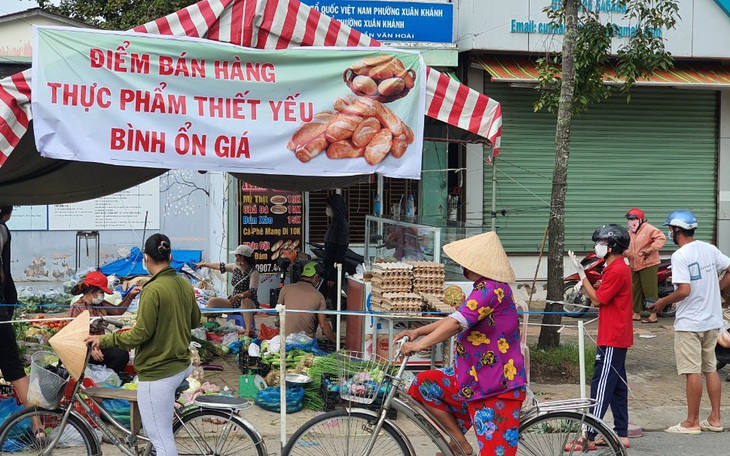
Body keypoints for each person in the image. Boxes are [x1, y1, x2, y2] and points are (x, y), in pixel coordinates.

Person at [395, 231, 526, 456]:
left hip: (495, 385)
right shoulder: (482, 289)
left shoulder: (491, 289)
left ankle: (460, 446)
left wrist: (418, 345)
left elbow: (456, 325)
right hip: (472, 378)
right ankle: (459, 445)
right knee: (424, 384)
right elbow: (454, 318)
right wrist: (417, 331)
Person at [86, 233, 201, 456]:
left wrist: (104, 339)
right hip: (180, 364)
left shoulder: (152, 289)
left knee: (161, 440)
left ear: (146, 259)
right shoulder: (184, 284)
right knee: (156, 431)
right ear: (171, 256)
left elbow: (140, 334)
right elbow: (195, 320)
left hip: (159, 371)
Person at [650, 210, 730, 434]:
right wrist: (716, 289)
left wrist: (663, 301)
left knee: (692, 371)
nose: (670, 233)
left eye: (670, 229)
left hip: (690, 323)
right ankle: (715, 419)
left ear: (676, 230)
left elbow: (684, 290)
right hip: (711, 320)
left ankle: (691, 422)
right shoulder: (709, 248)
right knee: (710, 369)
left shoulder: (680, 256)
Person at [569, 224, 633, 449]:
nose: (598, 247)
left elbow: (597, 300)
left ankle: (588, 436)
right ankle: (621, 433)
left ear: (613, 246)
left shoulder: (616, 269)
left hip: (613, 336)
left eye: (602, 243)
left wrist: (581, 274)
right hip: (616, 334)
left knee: (602, 385)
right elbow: (605, 293)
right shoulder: (614, 267)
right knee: (617, 387)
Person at [68, 271, 140, 373]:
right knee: (120, 355)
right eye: (101, 292)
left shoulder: (101, 304)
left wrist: (130, 295)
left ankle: (107, 377)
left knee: (122, 353)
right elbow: (73, 335)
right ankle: (104, 376)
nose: (102, 295)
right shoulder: (77, 308)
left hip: (100, 345)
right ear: (92, 291)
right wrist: (90, 349)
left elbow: (117, 311)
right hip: (84, 349)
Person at [0, 205, 32, 407]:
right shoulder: (2, 229)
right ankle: (37, 426)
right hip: (2, 312)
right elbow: (6, 275)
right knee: (15, 370)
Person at [195, 244, 259, 335]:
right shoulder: (235, 267)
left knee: (245, 301)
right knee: (213, 301)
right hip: (233, 302)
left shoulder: (254, 272)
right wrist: (204, 264)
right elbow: (220, 266)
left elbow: (252, 290)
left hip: (248, 304)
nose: (235, 258)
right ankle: (210, 325)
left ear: (243, 258)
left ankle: (248, 330)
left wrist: (239, 296)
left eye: (237, 256)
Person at [624, 208, 666, 324]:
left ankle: (653, 314)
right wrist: (625, 252)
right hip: (634, 264)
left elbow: (661, 238)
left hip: (648, 263)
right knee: (634, 289)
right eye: (629, 219)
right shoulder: (630, 232)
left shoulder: (648, 229)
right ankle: (636, 312)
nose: (630, 221)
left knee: (650, 289)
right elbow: (625, 245)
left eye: (633, 219)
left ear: (640, 219)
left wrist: (650, 249)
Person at [277, 262, 336, 343]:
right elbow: (324, 325)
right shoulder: (319, 296)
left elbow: (278, 313)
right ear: (316, 277)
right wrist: (336, 341)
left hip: (285, 340)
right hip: (306, 343)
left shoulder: (285, 289)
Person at [322, 194, 349, 307]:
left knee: (334, 300)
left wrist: (333, 275)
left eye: (329, 206)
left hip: (335, 270)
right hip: (328, 267)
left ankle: (335, 323)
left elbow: (340, 253)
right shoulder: (334, 222)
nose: (327, 209)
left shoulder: (342, 225)